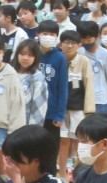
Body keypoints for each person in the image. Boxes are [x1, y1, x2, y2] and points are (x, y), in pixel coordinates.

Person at [77, 21, 107, 159]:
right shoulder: (79, 53)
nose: (86, 41)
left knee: (100, 134)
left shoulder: (105, 54)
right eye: (83, 38)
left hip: (100, 100)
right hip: (83, 100)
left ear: (97, 36)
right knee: (86, 135)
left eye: (89, 38)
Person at [58, 29, 94, 178]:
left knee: (79, 141)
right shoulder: (58, 59)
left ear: (79, 45)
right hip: (61, 109)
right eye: (66, 42)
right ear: (60, 44)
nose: (69, 46)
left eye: (73, 43)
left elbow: (89, 85)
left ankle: (79, 173)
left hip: (78, 109)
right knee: (63, 141)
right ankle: (62, 174)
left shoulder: (84, 61)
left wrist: (89, 110)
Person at [37, 20, 69, 152]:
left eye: (52, 34)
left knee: (50, 149)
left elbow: (63, 88)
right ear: (38, 34)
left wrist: (59, 115)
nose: (48, 37)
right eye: (45, 33)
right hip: (33, 109)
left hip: (51, 112)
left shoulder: (60, 58)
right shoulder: (31, 53)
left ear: (57, 37)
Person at [12, 38, 48, 127]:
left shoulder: (38, 78)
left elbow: (38, 108)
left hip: (24, 124)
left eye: (30, 55)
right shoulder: (9, 72)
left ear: (35, 58)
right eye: (22, 54)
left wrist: (32, 130)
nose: (25, 58)